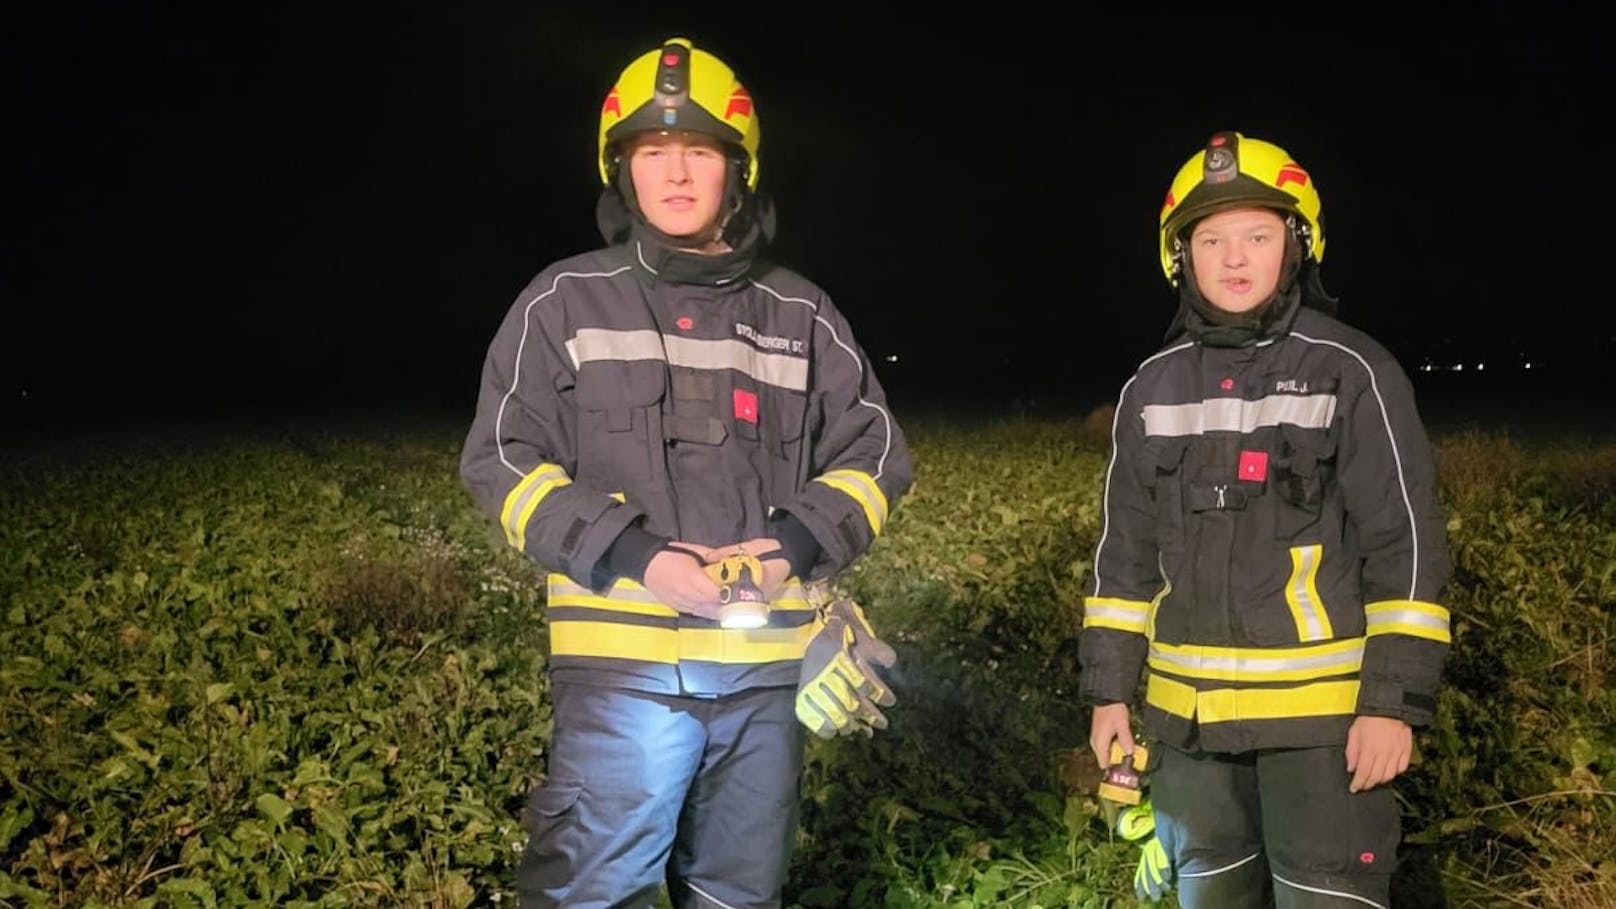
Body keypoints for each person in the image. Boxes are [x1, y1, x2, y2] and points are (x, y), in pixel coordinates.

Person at [458, 36, 912, 909]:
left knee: (740, 894)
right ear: (619, 170)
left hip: (764, 681)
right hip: (619, 680)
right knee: (594, 892)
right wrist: (638, 557)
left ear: (736, 171)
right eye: (652, 151)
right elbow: (503, 459)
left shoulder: (800, 312)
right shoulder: (563, 302)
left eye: (698, 151)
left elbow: (877, 454)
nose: (675, 172)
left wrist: (793, 551)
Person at [1079, 131, 1452, 908]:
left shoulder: (1353, 371)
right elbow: (1125, 559)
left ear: (1299, 244)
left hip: (1323, 734)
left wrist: (1392, 704)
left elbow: (1406, 548)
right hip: (1189, 736)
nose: (1234, 257)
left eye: (1258, 234)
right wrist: (1110, 691)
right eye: (1211, 238)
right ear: (1180, 256)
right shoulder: (1149, 389)